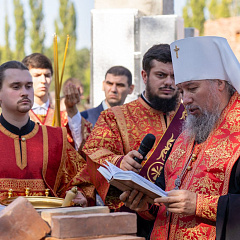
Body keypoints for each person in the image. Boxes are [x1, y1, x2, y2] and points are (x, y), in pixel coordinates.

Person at [120, 36, 240, 239]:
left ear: (220, 83)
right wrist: (145, 205)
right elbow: (164, 196)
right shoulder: (186, 135)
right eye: (182, 90)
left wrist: (200, 205)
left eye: (192, 89)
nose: (185, 100)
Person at [83, 44, 186, 237]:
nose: (169, 82)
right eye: (161, 75)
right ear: (145, 76)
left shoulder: (192, 116)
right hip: (134, 218)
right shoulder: (115, 116)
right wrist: (120, 161)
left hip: (182, 217)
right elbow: (93, 152)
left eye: (174, 76)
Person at [0, 60, 95, 206]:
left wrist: (79, 195)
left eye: (28, 86)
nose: (25, 92)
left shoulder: (56, 138)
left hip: (48, 225)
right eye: (16, 87)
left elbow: (80, 180)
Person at [22, 53, 92, 151]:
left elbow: (81, 147)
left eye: (47, 75)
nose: (43, 80)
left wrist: (72, 110)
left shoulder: (63, 117)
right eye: (37, 75)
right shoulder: (17, 116)